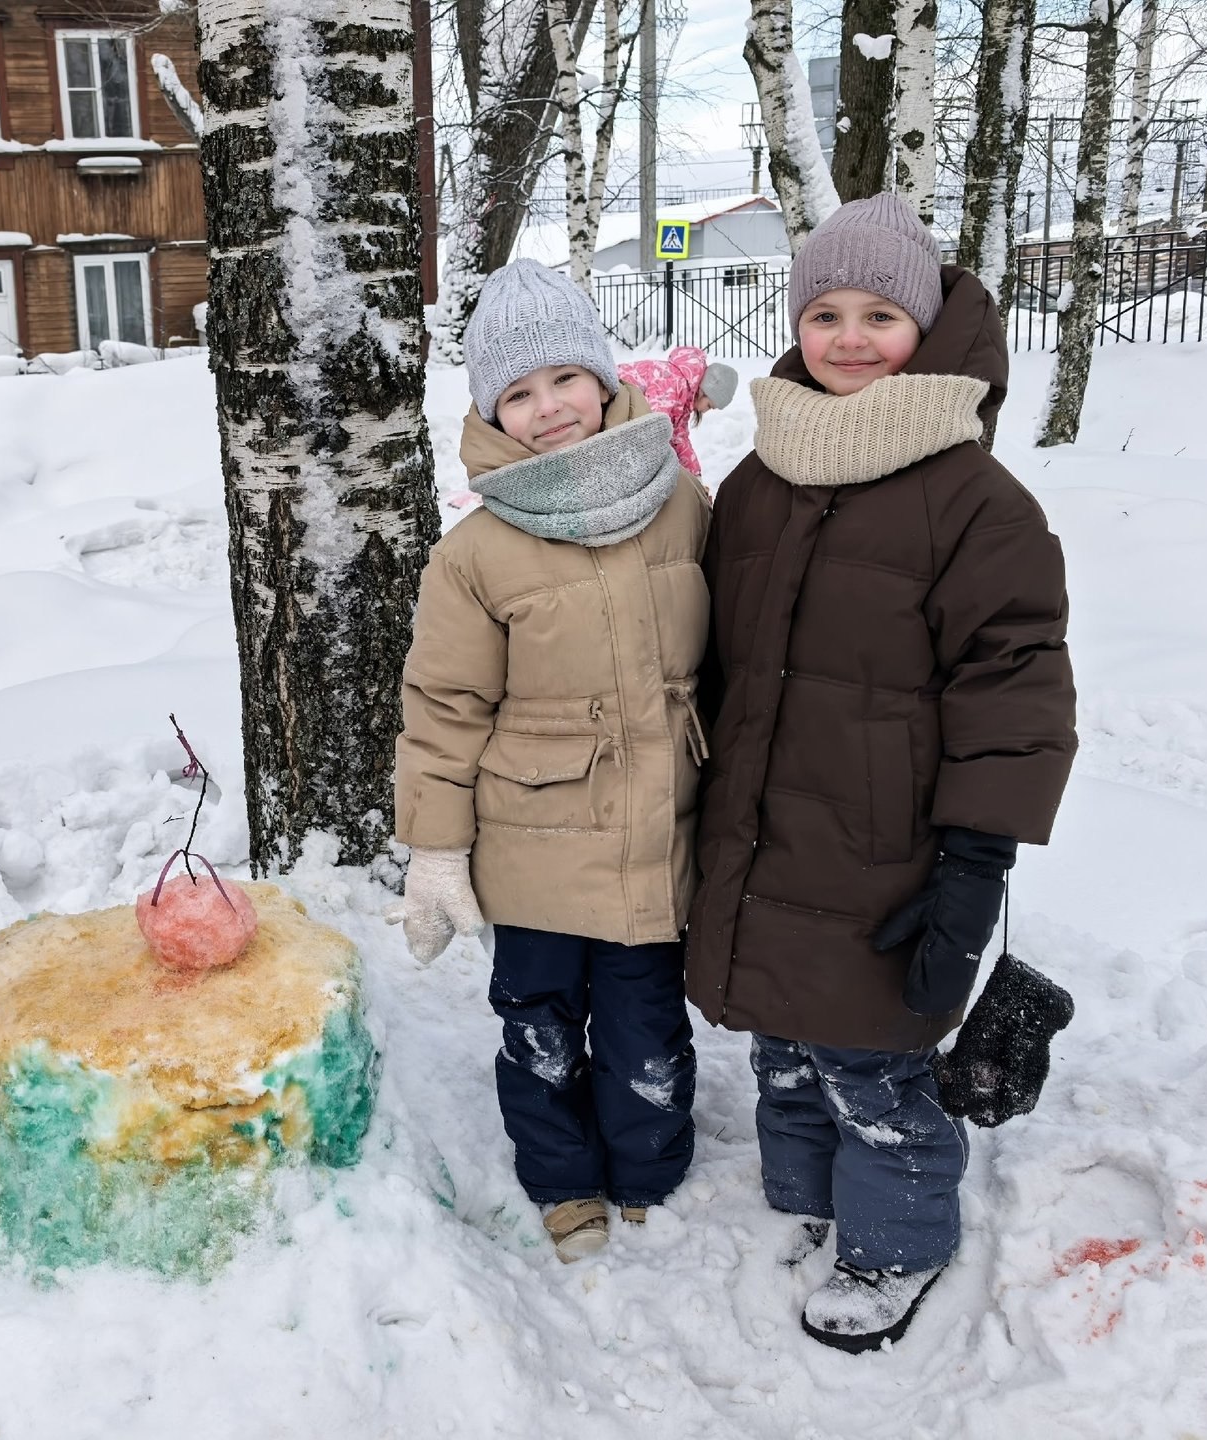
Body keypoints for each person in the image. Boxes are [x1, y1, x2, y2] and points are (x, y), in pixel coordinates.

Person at [687, 194, 1077, 1352]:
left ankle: (895, 1243)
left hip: (888, 853)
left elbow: (1014, 691)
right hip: (762, 839)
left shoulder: (978, 505)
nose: (849, 339)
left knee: (874, 1062)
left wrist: (976, 863)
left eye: (880, 314)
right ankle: (804, 1197)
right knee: (784, 1044)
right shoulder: (758, 484)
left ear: (930, 327)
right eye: (823, 314)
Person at [388, 258, 712, 1264]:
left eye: (563, 379)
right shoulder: (475, 555)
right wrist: (435, 853)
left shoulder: (685, 507)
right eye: (517, 394)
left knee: (646, 1026)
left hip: (652, 837)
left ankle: (649, 1170)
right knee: (538, 1029)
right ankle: (564, 1183)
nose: (548, 408)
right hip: (527, 853)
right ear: (491, 411)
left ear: (605, 377)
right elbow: (443, 711)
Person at [616, 346, 738, 479]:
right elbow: (654, 429)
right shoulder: (672, 382)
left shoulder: (684, 398)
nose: (705, 411)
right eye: (709, 405)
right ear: (704, 391)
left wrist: (696, 477)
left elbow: (679, 439)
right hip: (610, 396)